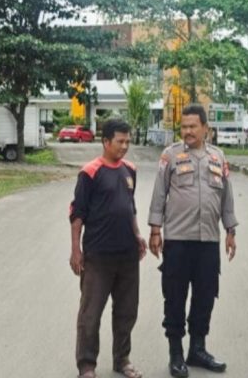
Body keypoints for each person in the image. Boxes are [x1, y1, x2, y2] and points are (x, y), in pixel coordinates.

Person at [148, 103, 238, 378]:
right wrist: (155, 230)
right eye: (183, 127)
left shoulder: (218, 156)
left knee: (205, 297)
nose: (187, 131)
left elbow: (226, 196)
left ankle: (197, 349)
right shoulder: (170, 155)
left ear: (205, 128)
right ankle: (176, 353)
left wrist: (230, 230)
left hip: (208, 240)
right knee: (174, 297)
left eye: (192, 126)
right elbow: (159, 194)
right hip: (178, 240)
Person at [69, 119, 147, 378]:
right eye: (120, 141)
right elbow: (77, 214)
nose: (124, 146)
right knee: (90, 313)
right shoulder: (90, 172)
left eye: (128, 141)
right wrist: (76, 250)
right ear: (105, 142)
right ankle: (86, 365)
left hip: (127, 255)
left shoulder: (130, 170)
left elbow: (129, 207)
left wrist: (137, 235)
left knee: (127, 311)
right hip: (98, 256)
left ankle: (122, 359)